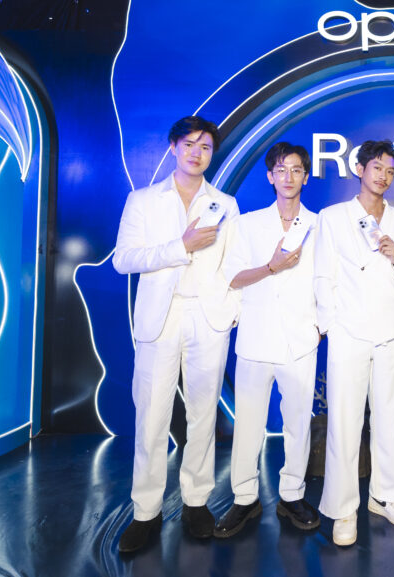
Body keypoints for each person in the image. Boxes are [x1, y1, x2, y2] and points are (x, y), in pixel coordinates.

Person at [112, 116, 239, 553]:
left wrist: (230, 312)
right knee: (151, 416)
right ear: (172, 147)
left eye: (205, 147)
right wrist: (180, 246)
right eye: (189, 144)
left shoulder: (225, 204)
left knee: (204, 414)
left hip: (208, 318)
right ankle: (145, 512)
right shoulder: (143, 200)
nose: (197, 153)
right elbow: (124, 259)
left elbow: (234, 265)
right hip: (159, 318)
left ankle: (196, 502)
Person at [313, 139, 394, 546]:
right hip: (348, 332)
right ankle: (343, 509)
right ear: (360, 169)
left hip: (391, 331)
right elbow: (322, 275)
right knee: (345, 420)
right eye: (377, 168)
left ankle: (387, 496)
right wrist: (331, 325)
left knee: (392, 416)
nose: (383, 176)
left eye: (390, 171)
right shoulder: (332, 217)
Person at [214, 142, 321, 538]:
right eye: (281, 170)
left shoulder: (319, 225)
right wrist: (271, 267)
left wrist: (319, 327)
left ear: (305, 177)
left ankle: (292, 494)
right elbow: (232, 276)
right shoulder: (247, 224)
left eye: (296, 170)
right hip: (256, 338)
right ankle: (245, 498)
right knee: (248, 425)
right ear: (270, 176)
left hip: (300, 340)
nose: (288, 177)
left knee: (298, 424)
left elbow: (327, 279)